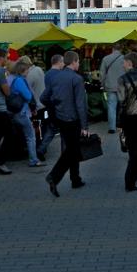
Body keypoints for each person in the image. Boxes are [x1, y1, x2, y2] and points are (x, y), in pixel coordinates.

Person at [41, 50, 89, 197]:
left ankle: (75, 178)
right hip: (72, 119)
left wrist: (55, 105)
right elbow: (81, 104)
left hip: (60, 118)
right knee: (72, 151)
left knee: (72, 150)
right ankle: (54, 177)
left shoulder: (55, 77)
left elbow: (44, 97)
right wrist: (84, 126)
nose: (79, 64)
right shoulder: (76, 79)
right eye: (78, 61)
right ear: (74, 62)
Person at [117, 51, 137, 191]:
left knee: (133, 150)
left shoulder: (122, 79)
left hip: (129, 118)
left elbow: (121, 101)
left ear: (129, 63)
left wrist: (118, 123)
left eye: (124, 62)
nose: (123, 65)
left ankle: (129, 181)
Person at [9, 59, 44, 167]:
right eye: (28, 69)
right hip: (22, 112)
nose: (29, 71)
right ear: (23, 70)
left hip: (16, 112)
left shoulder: (14, 80)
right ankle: (33, 160)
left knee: (22, 135)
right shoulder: (20, 81)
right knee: (31, 136)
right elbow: (28, 96)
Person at [37, 53, 64, 159]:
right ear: (59, 62)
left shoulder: (47, 74)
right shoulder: (60, 75)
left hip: (49, 105)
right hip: (59, 105)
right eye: (62, 62)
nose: (63, 64)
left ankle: (41, 149)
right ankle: (64, 153)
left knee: (52, 128)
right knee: (63, 130)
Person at [99, 46, 125, 135]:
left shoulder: (106, 59)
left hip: (110, 86)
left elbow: (102, 74)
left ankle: (112, 128)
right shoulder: (125, 59)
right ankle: (122, 125)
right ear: (120, 49)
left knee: (111, 107)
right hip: (122, 86)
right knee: (123, 106)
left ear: (112, 49)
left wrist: (102, 84)